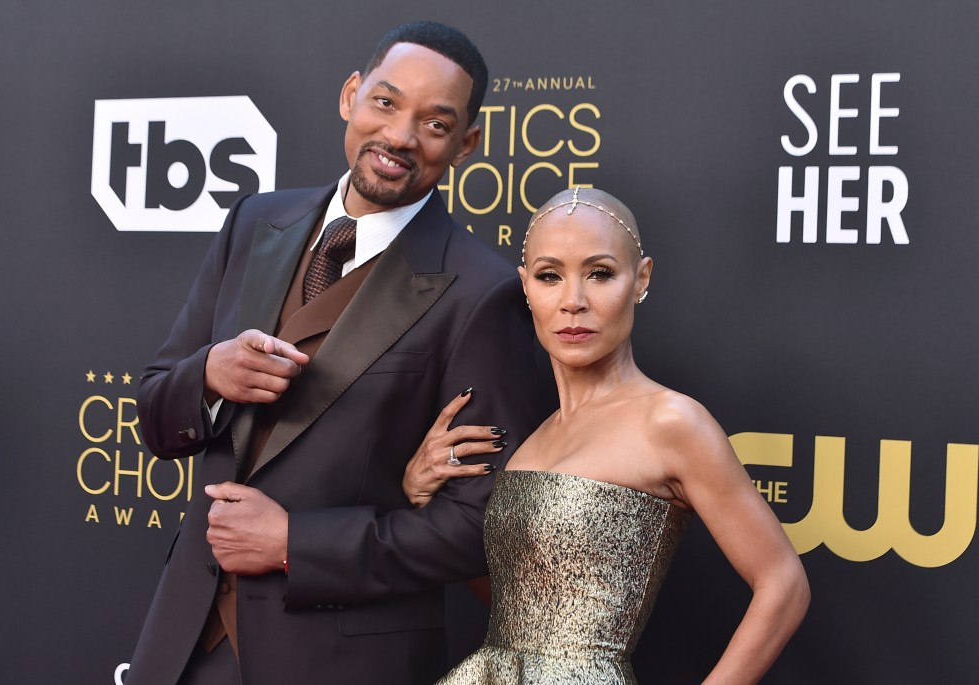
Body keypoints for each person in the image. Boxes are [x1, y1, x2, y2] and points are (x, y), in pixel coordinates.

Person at [126, 21, 548, 685]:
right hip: (184, 641)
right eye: (386, 102)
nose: (401, 136)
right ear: (351, 95)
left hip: (343, 657)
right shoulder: (252, 222)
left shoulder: (483, 292)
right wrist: (209, 374)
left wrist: (298, 544)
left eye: (435, 124)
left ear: (465, 144)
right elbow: (154, 410)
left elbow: (481, 529)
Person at [403, 187, 811, 684]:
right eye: (550, 276)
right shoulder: (532, 440)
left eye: (600, 273)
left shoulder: (671, 422)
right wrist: (425, 500)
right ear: (526, 287)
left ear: (640, 279)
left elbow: (783, 583)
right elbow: (531, 606)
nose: (573, 302)